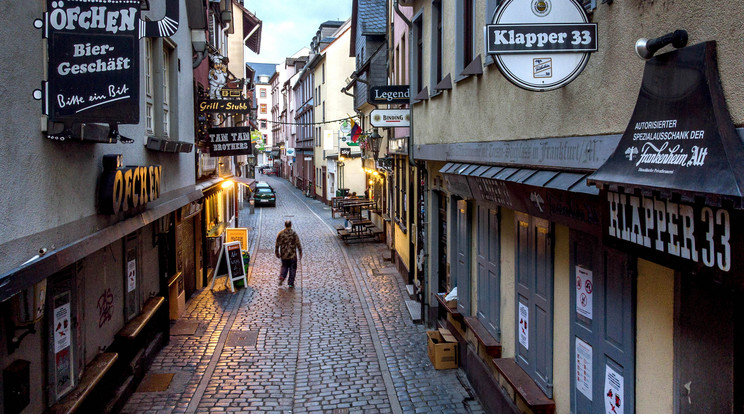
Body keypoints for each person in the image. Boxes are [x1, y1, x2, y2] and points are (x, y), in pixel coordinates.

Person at [275, 220, 303, 288]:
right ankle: (291, 283)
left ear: (285, 225)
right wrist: (300, 252)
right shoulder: (294, 233)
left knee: (284, 266)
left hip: (284, 254)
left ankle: (282, 276)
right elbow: (298, 243)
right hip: (292, 255)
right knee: (292, 269)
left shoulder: (281, 233)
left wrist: (277, 252)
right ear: (291, 225)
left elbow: (277, 244)